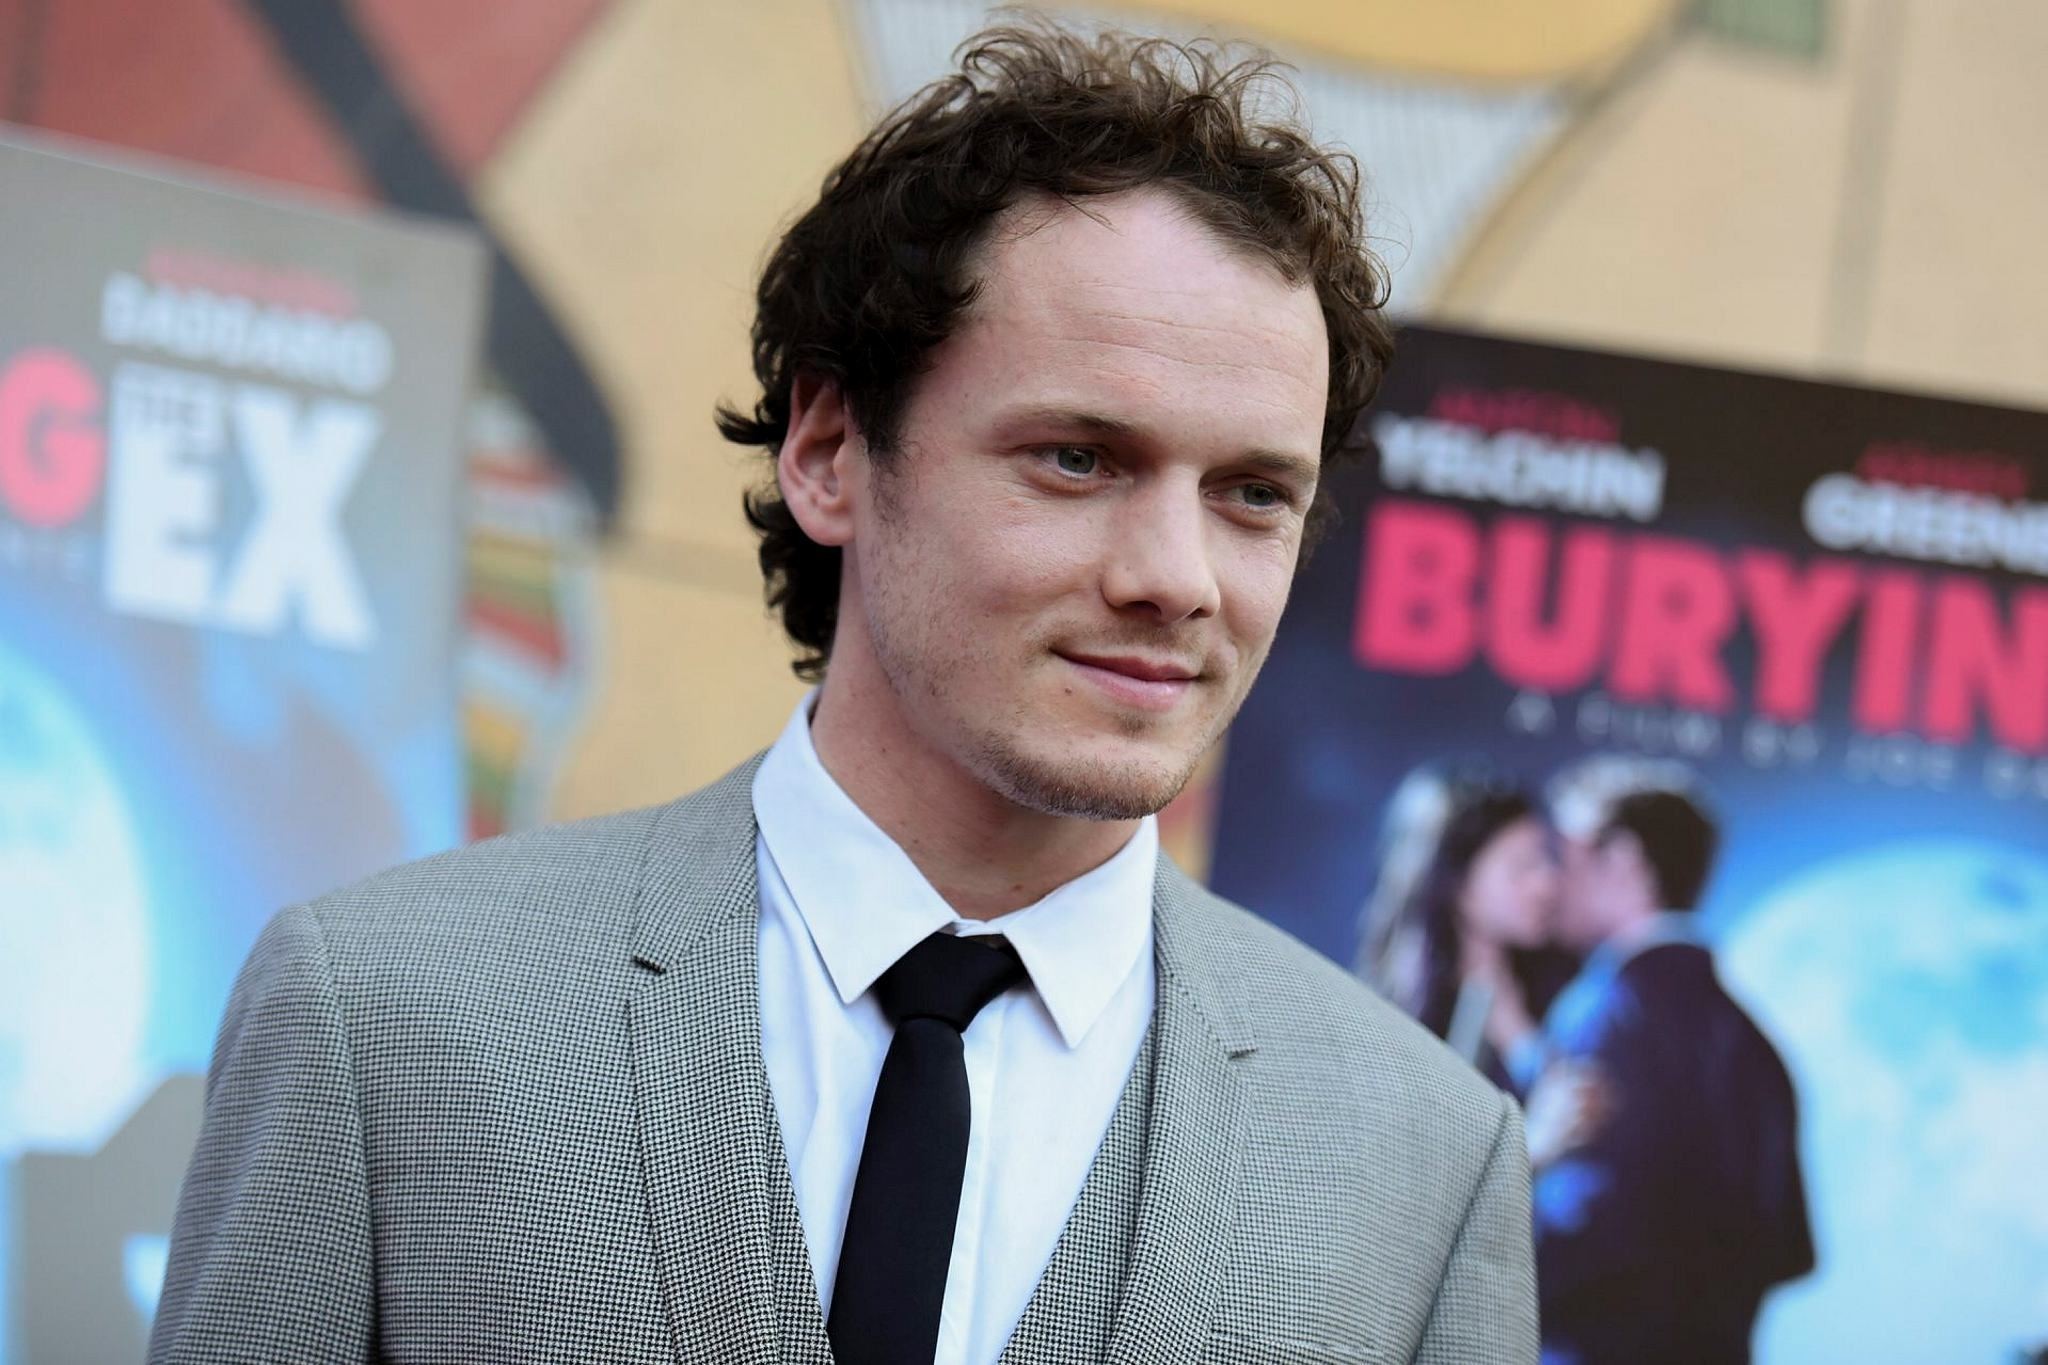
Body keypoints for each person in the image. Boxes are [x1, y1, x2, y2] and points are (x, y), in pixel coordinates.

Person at [149, 24, 1536, 1365]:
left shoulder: (1424, 1156)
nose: (1178, 577)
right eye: (1077, 458)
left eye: (1252, 494)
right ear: (827, 452)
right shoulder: (386, 1011)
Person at [1526, 758, 1814, 1365]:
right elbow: (1790, 1247)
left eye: (1568, 857)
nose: (1553, 886)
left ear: (1625, 860)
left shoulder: (1603, 1015)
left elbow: (1579, 1222)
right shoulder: (1758, 1045)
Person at [1358, 766, 1564, 1085]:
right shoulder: (1392, 1010)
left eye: (1546, 859)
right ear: (1458, 883)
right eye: (1521, 867)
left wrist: (1517, 1035)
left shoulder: (1562, 987)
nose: (1546, 883)